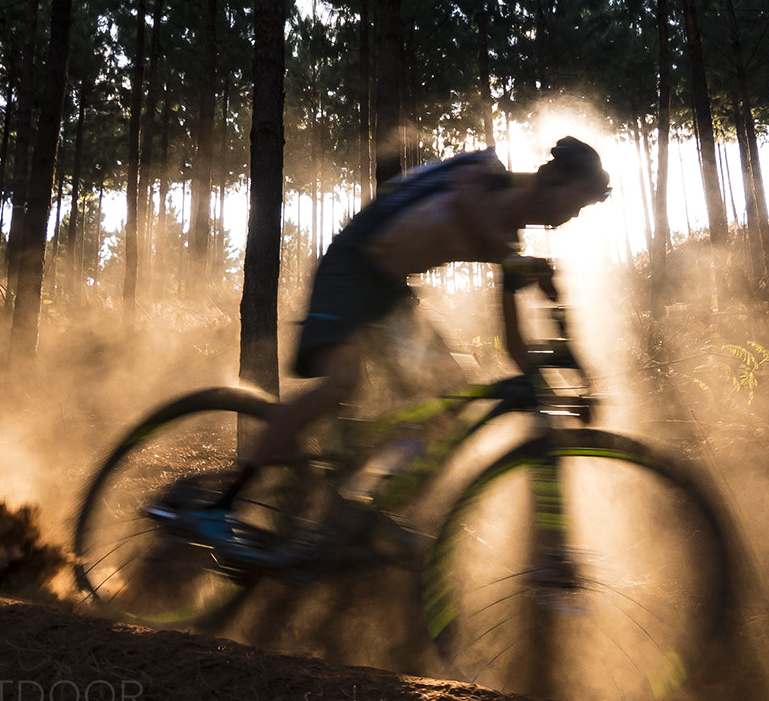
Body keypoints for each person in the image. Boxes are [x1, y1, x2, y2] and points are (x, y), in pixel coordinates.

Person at [149, 136, 613, 543]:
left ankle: (366, 505)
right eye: (579, 200)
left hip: (390, 294)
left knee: (453, 391)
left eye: (584, 209)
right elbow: (461, 202)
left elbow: (514, 348)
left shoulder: (509, 244)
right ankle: (221, 503)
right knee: (340, 383)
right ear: (552, 175)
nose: (574, 214)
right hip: (351, 265)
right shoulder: (484, 171)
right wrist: (516, 266)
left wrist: (560, 387)